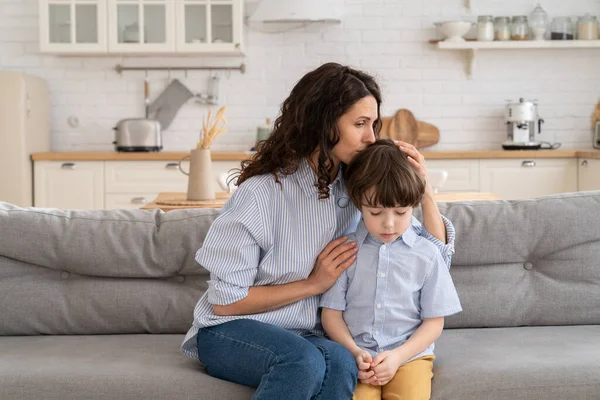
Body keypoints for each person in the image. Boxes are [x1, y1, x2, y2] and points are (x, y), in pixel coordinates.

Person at [180, 62, 456, 400]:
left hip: (309, 335)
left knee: (341, 363)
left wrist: (424, 191)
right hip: (231, 331)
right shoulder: (261, 194)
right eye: (360, 124)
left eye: (373, 124)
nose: (371, 137)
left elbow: (431, 254)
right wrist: (313, 284)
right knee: (302, 361)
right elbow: (225, 303)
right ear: (325, 125)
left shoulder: (358, 189)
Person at [320, 139, 462, 400]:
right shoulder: (345, 250)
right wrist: (353, 352)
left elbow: (434, 322)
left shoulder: (427, 253)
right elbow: (331, 314)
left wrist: (397, 357)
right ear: (358, 203)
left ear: (413, 206)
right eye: (375, 213)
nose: (389, 224)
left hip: (410, 356)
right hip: (358, 357)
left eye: (400, 212)